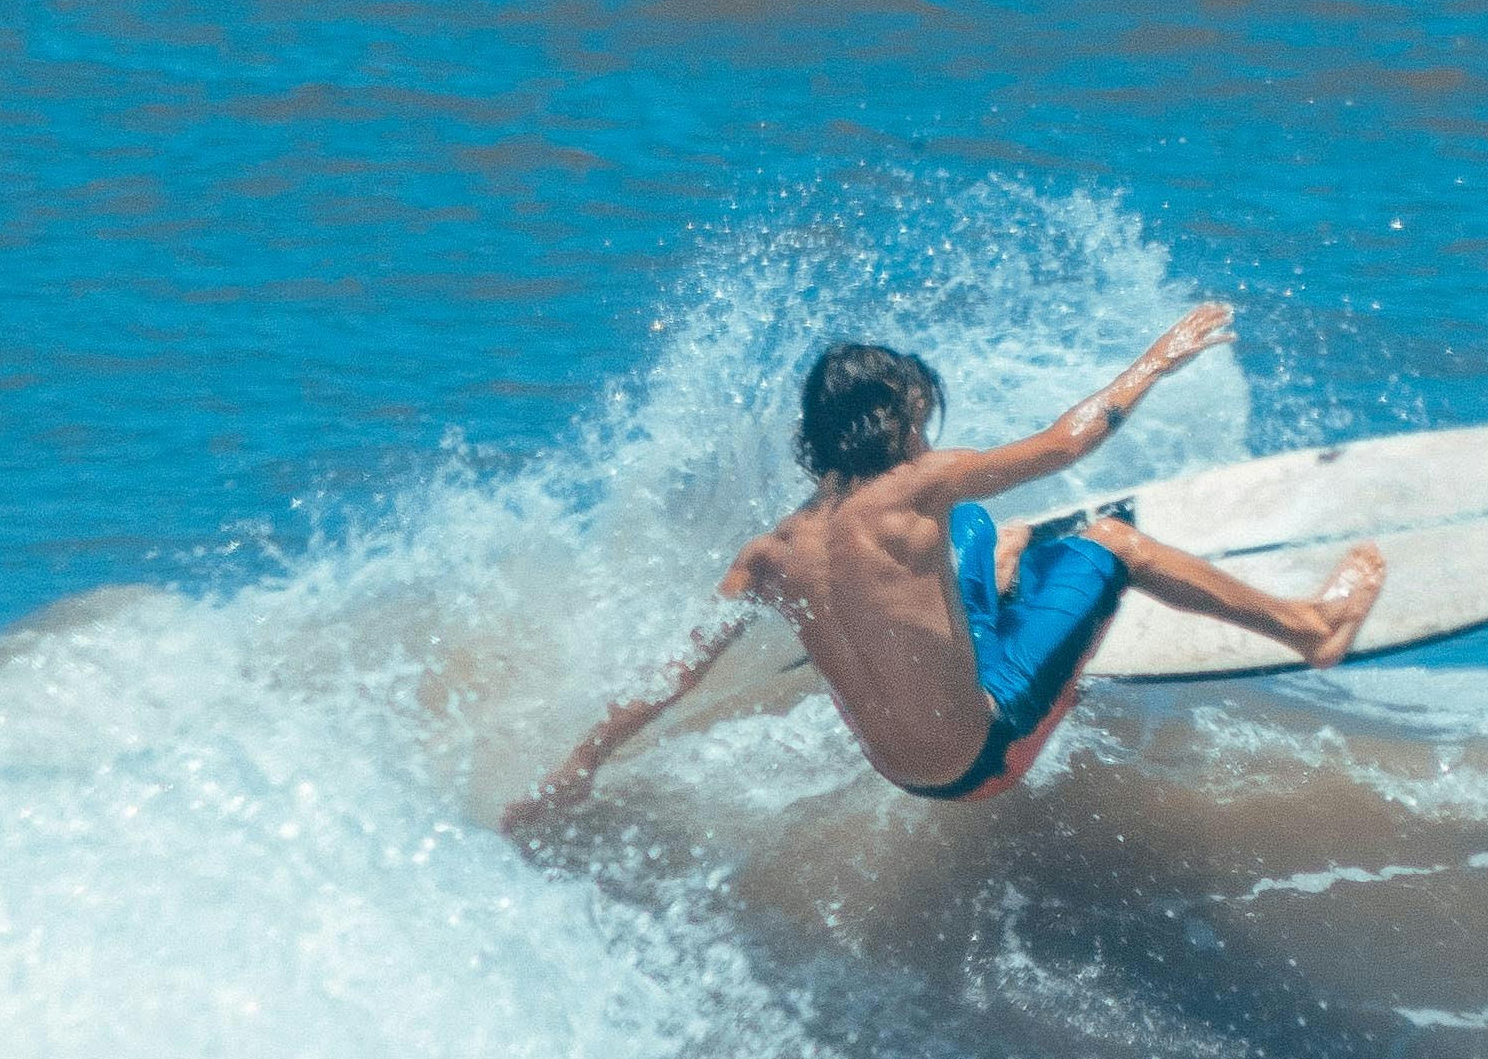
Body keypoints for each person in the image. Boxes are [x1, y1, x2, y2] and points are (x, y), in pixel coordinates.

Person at [508, 299, 1384, 834]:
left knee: (974, 530)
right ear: (893, 422)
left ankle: (1005, 578)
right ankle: (1313, 628)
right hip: (986, 754)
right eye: (920, 418)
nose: (926, 436)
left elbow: (671, 673)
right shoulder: (917, 486)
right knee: (1113, 543)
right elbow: (1067, 442)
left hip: (899, 771)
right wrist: (1159, 360)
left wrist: (578, 765)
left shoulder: (768, 556)